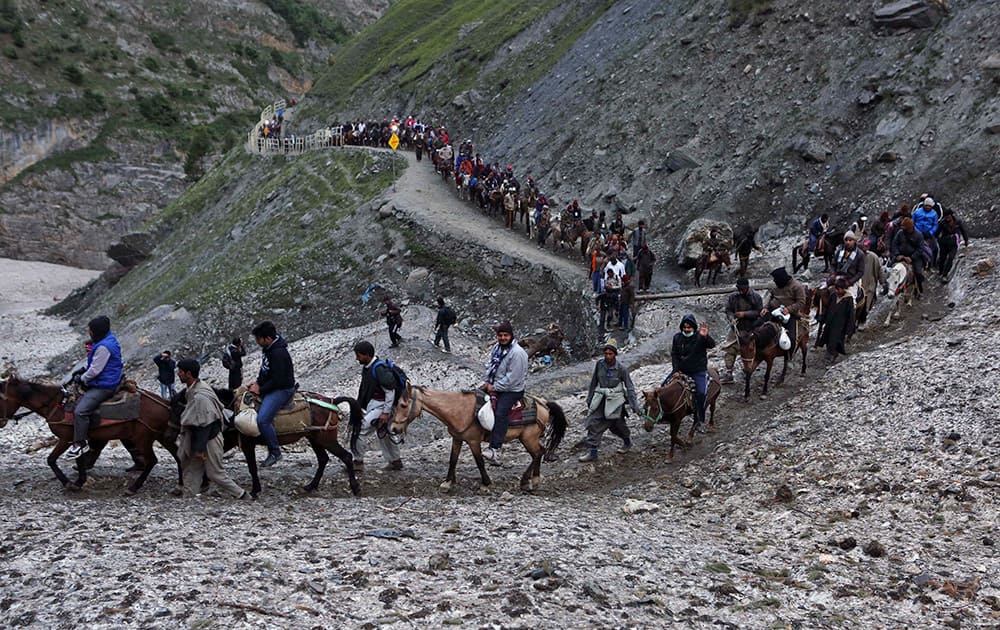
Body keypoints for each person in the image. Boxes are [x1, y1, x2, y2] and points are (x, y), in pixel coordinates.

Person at [175, 358, 247, 499]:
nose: (178, 374)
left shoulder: (200, 397)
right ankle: (188, 497)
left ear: (188, 374)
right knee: (192, 469)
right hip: (201, 438)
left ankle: (241, 494)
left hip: (210, 439)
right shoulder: (195, 388)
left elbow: (205, 423)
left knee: (215, 474)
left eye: (180, 372)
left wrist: (200, 448)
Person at [67, 316, 124, 459]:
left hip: (105, 385)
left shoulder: (104, 347)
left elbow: (95, 371)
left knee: (80, 411)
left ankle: (80, 443)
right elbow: (94, 364)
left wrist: (82, 378)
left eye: (90, 330)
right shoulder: (107, 340)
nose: (89, 333)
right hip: (105, 378)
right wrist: (82, 370)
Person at [579, 339, 641, 462]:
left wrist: (634, 405)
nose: (608, 356)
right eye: (606, 353)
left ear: (615, 354)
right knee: (593, 423)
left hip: (615, 402)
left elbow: (629, 387)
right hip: (601, 399)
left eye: (610, 354)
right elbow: (594, 382)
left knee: (618, 425)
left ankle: (627, 442)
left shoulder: (621, 369)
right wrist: (590, 399)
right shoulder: (599, 365)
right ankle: (593, 452)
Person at [247, 321, 296, 468]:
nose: (257, 342)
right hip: (272, 386)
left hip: (282, 389)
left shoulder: (278, 353)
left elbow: (279, 380)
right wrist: (257, 383)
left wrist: (261, 390)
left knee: (262, 419)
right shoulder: (268, 349)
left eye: (259, 339)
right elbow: (265, 370)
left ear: (267, 338)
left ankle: (275, 452)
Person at [481, 321, 529, 466]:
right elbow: (491, 366)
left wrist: (494, 387)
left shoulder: (518, 353)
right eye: (500, 335)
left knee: (501, 413)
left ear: (511, 336)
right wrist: (487, 382)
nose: (502, 338)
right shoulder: (497, 348)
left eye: (505, 335)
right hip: (495, 384)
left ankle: (494, 448)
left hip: (512, 390)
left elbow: (512, 379)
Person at [352, 341, 404, 472]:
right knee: (385, 433)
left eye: (358, 355)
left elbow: (390, 391)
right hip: (375, 406)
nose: (357, 358)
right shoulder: (368, 367)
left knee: (360, 429)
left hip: (382, 407)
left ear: (367, 355)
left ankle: (357, 462)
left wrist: (385, 413)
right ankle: (395, 461)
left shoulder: (379, 369)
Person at [662, 314, 715, 432]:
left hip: (697, 370)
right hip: (681, 369)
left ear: (694, 328)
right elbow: (674, 355)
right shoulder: (677, 338)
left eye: (689, 327)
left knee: (701, 393)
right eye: (685, 327)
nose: (686, 330)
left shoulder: (700, 337)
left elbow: (712, 345)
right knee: (663, 387)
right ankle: (665, 414)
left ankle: (700, 420)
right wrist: (676, 370)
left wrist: (706, 337)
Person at [720, 278, 763, 384]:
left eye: (742, 289)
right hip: (736, 328)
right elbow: (728, 310)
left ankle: (748, 370)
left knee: (749, 350)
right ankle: (729, 372)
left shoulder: (755, 297)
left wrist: (745, 314)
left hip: (750, 328)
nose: (740, 291)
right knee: (730, 349)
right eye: (739, 289)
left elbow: (759, 312)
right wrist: (731, 318)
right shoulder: (733, 297)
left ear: (747, 287)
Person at [761, 267, 808, 344]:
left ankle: (789, 355)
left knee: (792, 339)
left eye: (776, 279)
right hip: (773, 311)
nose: (774, 281)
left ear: (782, 279)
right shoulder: (777, 285)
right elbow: (771, 297)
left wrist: (788, 309)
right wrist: (766, 308)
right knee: (758, 327)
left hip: (789, 314)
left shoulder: (797, 286)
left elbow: (801, 302)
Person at [816, 278, 853, 366]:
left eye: (838, 289)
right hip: (830, 322)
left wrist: (849, 328)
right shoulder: (833, 296)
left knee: (834, 340)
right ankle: (832, 354)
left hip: (839, 325)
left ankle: (829, 357)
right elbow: (828, 308)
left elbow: (850, 315)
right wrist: (823, 317)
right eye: (836, 289)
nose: (836, 291)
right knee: (828, 339)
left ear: (843, 289)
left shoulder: (848, 299)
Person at [890, 217, 927, 295]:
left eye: (905, 228)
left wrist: (912, 257)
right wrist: (897, 254)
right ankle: (888, 287)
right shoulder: (900, 233)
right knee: (890, 269)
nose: (904, 230)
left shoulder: (918, 235)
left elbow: (920, 248)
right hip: (900, 255)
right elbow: (894, 244)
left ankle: (919, 289)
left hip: (913, 257)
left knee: (918, 272)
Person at [829, 231, 864, 301]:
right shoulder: (840, 251)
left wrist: (850, 282)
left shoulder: (860, 254)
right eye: (846, 240)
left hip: (851, 279)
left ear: (854, 241)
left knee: (852, 300)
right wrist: (833, 274)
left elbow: (860, 272)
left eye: (850, 240)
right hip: (837, 277)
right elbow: (833, 264)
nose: (848, 242)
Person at [936, 209, 969, 280]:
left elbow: (963, 231)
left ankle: (945, 274)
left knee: (950, 258)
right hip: (944, 243)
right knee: (943, 258)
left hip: (954, 243)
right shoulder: (942, 223)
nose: (947, 218)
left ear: (951, 215)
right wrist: (938, 240)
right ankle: (941, 271)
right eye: (946, 217)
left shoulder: (957, 222)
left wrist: (966, 240)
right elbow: (937, 233)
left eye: (948, 216)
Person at [912, 198, 940, 266]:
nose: (927, 207)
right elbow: (912, 222)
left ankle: (933, 264)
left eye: (929, 206)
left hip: (928, 233)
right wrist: (916, 230)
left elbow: (935, 225)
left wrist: (931, 232)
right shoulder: (917, 212)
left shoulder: (934, 214)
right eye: (926, 206)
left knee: (935, 248)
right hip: (917, 232)